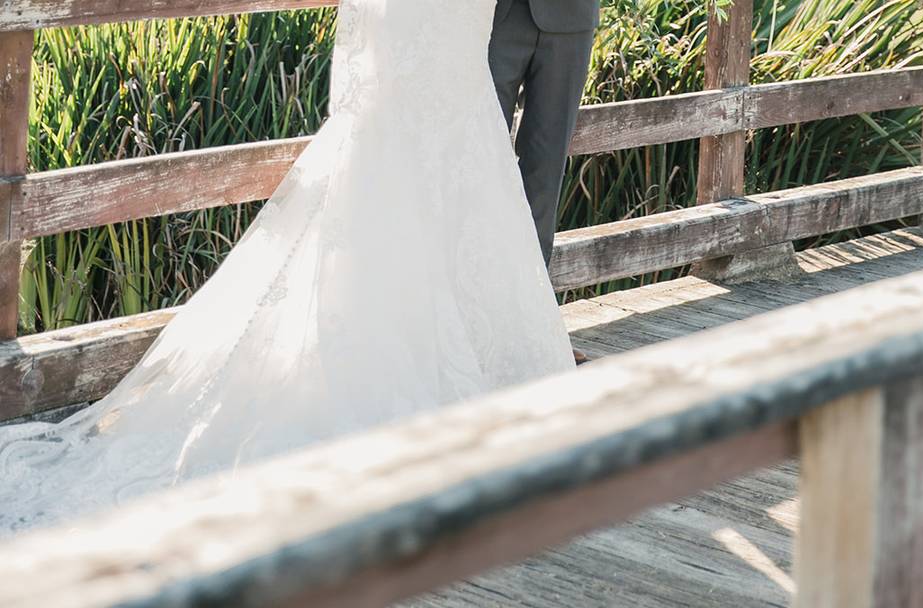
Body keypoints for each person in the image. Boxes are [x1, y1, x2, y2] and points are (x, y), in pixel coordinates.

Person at [0, 0, 583, 535]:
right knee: (406, 184)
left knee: (464, 192)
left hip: (462, 49)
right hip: (424, 41)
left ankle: (483, 356)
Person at [489, 0, 600, 365]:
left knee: (544, 175)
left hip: (571, 19)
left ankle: (534, 331)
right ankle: (468, 328)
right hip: (490, 20)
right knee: (479, 169)